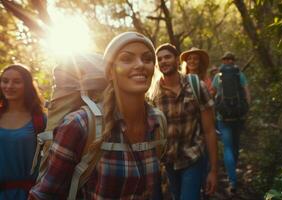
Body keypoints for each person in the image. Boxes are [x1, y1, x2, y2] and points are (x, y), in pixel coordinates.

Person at [29, 32, 165, 199]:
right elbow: (44, 195)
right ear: (110, 72)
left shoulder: (158, 121)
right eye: (127, 59)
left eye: (147, 58)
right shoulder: (80, 124)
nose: (140, 65)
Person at [150, 43, 218, 200]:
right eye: (159, 59)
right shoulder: (154, 94)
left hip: (193, 157)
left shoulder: (196, 86)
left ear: (177, 60)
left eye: (167, 57)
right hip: (168, 162)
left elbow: (209, 130)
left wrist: (213, 170)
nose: (163, 61)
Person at [0, 64, 46, 200]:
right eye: (5, 81)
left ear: (27, 86)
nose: (9, 86)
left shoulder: (40, 120)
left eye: (17, 82)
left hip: (30, 194)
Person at [212, 51, 251, 194]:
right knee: (235, 146)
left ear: (223, 61)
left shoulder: (218, 76)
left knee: (227, 147)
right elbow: (247, 94)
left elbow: (213, 95)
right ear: (233, 61)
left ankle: (232, 180)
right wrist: (246, 109)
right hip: (238, 117)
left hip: (223, 117)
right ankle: (233, 173)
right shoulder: (240, 75)